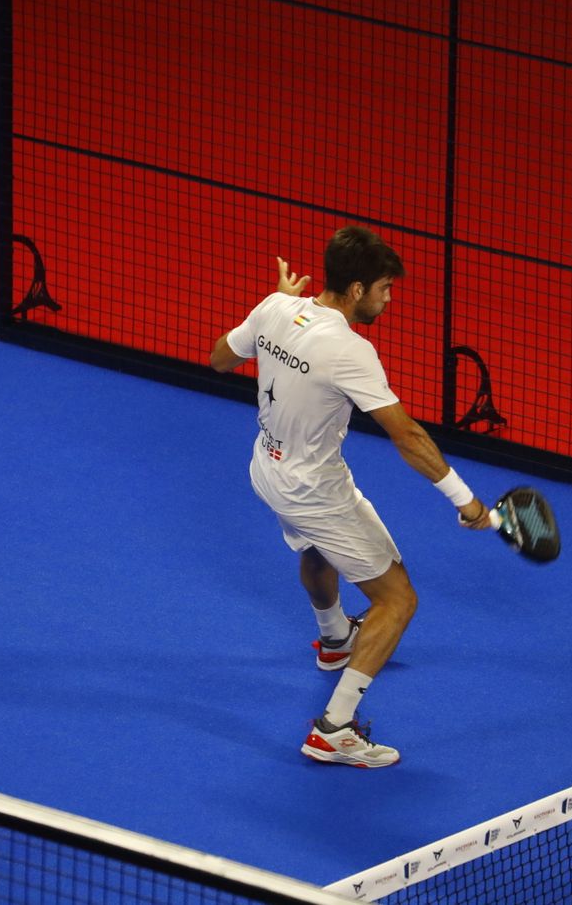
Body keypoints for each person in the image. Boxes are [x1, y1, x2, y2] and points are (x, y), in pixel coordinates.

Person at [210, 226, 494, 768]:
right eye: (385, 288)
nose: (389, 300)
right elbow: (407, 435)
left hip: (268, 471)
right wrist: (465, 500)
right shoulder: (349, 349)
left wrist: (274, 317)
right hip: (315, 490)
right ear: (358, 288)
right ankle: (334, 728)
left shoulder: (276, 307)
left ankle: (335, 639)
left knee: (316, 549)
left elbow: (220, 358)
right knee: (397, 599)